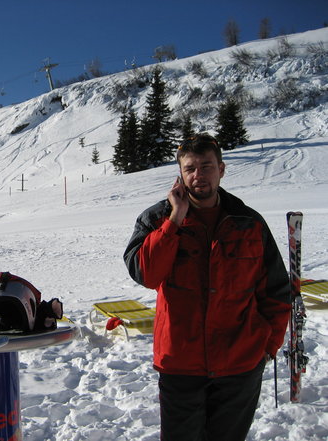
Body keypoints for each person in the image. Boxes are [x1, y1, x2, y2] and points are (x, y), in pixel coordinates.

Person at [123, 133, 290, 441]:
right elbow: (146, 273)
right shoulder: (156, 219)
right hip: (181, 366)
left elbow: (277, 292)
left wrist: (266, 347)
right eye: (190, 168)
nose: (198, 175)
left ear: (221, 170)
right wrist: (175, 220)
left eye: (206, 166)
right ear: (180, 174)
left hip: (239, 366)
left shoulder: (248, 222)